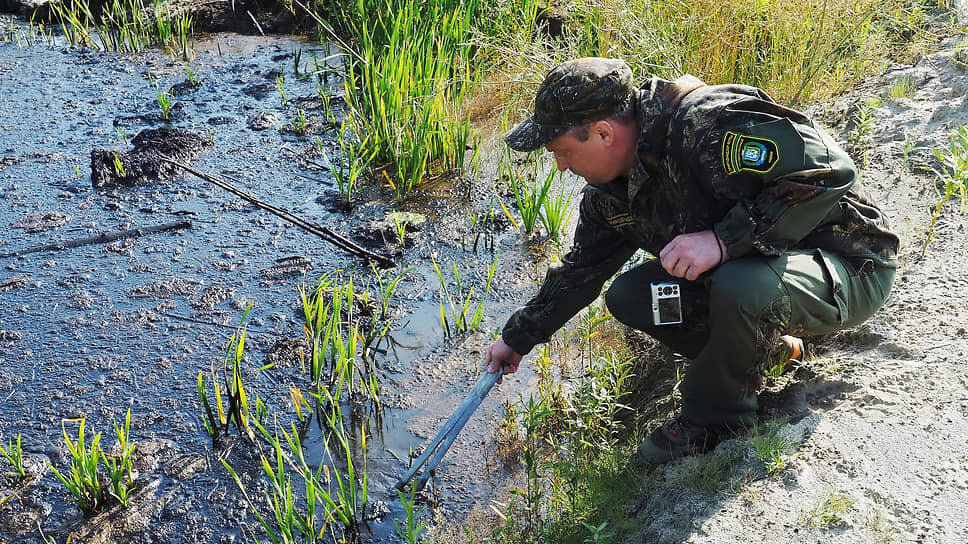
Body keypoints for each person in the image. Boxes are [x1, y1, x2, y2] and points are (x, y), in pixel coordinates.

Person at [484, 57, 898, 465]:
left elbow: (831, 169)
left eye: (562, 151)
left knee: (740, 285)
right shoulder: (609, 194)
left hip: (848, 264)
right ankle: (765, 353)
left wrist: (722, 240)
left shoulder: (708, 124)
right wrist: (517, 339)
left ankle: (718, 420)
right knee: (632, 295)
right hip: (764, 270)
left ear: (603, 133)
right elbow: (580, 273)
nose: (561, 166)